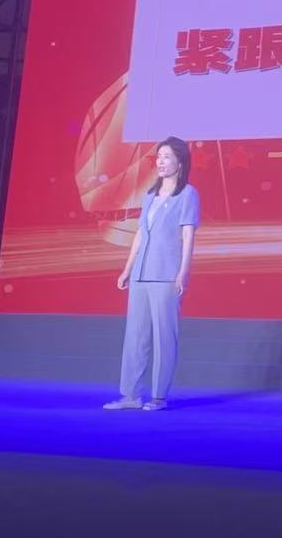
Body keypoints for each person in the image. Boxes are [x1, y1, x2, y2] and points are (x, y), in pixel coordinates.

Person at [104, 137, 200, 411]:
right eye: (159, 156)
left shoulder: (188, 194)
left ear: (180, 162)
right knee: (135, 335)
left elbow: (187, 236)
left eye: (167, 157)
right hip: (140, 274)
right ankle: (130, 395)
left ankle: (159, 396)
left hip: (166, 274)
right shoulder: (149, 195)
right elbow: (139, 235)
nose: (160, 161)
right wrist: (127, 269)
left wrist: (183, 272)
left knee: (164, 336)